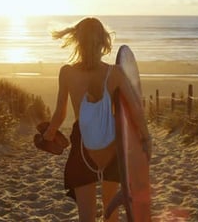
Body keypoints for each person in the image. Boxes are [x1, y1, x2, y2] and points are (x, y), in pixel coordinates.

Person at [43, 17, 151, 222]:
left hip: (83, 148)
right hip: (112, 147)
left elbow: (60, 114)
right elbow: (136, 109)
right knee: (111, 213)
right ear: (103, 42)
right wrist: (146, 138)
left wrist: (49, 135)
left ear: (77, 41)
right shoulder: (115, 73)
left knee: (86, 217)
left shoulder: (67, 73)